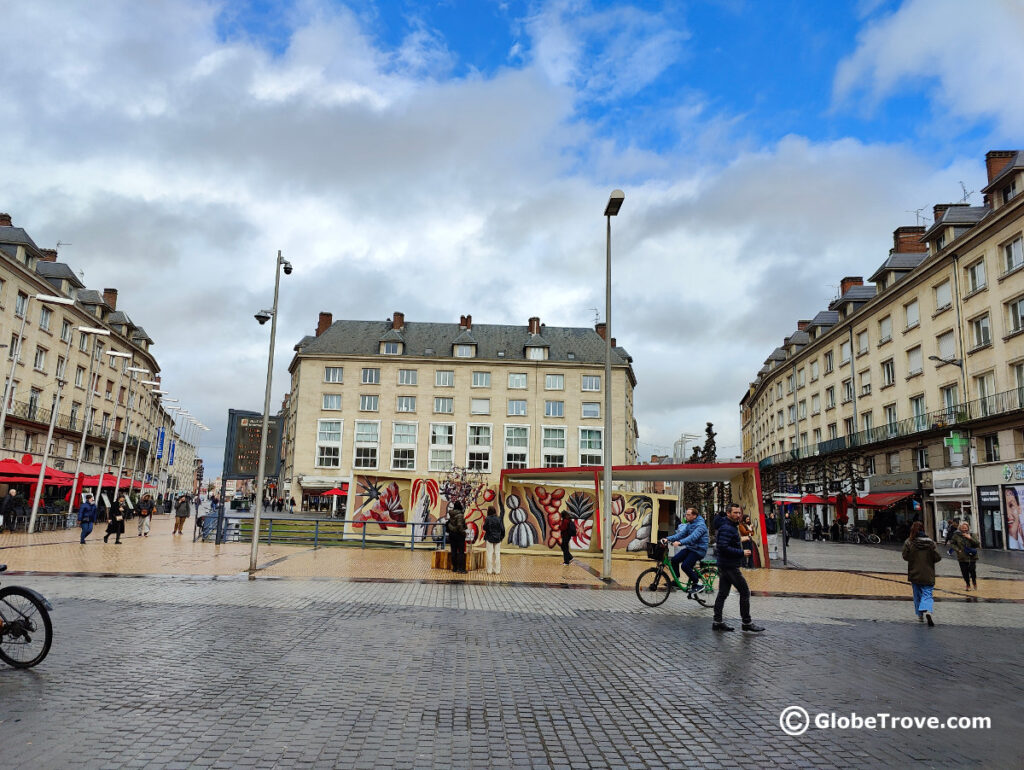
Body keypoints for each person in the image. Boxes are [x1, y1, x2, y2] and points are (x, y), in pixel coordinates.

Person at [711, 503, 764, 633]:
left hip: (725, 564)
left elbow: (727, 542)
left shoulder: (730, 526)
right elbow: (722, 547)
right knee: (745, 592)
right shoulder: (727, 527)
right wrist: (741, 552)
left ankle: (717, 622)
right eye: (735, 513)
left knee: (722, 593)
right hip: (729, 565)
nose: (738, 515)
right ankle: (746, 622)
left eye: (739, 513)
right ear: (728, 513)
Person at [662, 507, 708, 599]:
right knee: (674, 560)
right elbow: (681, 534)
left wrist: (680, 542)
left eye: (688, 515)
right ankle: (676, 580)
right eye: (686, 514)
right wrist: (668, 538)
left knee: (685, 566)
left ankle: (698, 584)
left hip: (699, 550)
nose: (686, 516)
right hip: (691, 548)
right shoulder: (690, 524)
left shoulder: (701, 526)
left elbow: (693, 537)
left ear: (694, 516)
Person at [902, 520, 941, 626]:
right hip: (928, 572)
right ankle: (928, 610)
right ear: (923, 529)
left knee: (917, 594)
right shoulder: (931, 543)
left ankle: (920, 615)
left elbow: (905, 556)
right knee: (927, 593)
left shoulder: (909, 542)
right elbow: (937, 557)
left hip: (914, 572)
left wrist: (914, 557)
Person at [950, 521, 980, 591]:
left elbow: (977, 544)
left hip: (972, 556)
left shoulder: (972, 534)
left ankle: (974, 582)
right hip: (962, 556)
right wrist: (958, 550)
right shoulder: (956, 535)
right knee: (964, 571)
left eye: (966, 528)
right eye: (963, 528)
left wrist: (970, 538)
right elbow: (952, 544)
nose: (964, 529)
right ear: (960, 528)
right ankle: (968, 584)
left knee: (972, 570)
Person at [482, 506, 505, 575]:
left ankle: (489, 570)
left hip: (489, 538)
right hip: (498, 538)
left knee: (489, 554)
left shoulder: (487, 519)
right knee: (497, 554)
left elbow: (484, 528)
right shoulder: (499, 519)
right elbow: (502, 529)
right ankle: (497, 570)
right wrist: (501, 537)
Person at [446, 502, 467, 573]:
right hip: (459, 535)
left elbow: (450, 524)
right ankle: (461, 569)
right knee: (461, 552)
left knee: (453, 551)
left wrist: (452, 529)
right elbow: (460, 526)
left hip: (452, 535)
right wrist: (464, 533)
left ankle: (454, 568)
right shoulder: (460, 515)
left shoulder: (451, 514)